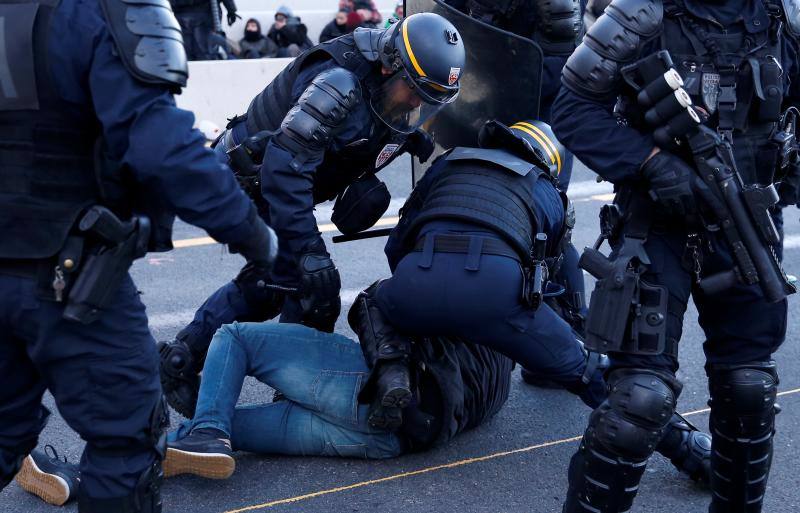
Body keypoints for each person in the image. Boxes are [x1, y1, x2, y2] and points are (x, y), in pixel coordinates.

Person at [0, 1, 277, 512]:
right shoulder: (100, 12)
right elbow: (162, 147)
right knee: (128, 439)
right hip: (69, 275)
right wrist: (254, 234)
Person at [550, 0, 798, 511]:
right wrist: (652, 163)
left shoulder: (786, 17)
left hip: (747, 225)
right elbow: (572, 110)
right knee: (639, 400)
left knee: (749, 388)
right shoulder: (640, 15)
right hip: (655, 227)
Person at [158, 13, 466, 420]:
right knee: (308, 286)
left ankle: (190, 362)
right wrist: (308, 250)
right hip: (249, 182)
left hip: (278, 181)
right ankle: (258, 383)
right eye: (413, 91)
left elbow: (373, 118)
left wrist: (412, 138)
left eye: (427, 98)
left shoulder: (386, 85)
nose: (415, 104)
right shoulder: (337, 83)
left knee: (283, 283)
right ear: (389, 64)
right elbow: (284, 172)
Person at [170, 0, 239, 60]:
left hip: (185, 16)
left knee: (186, 53)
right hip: (203, 16)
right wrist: (231, 9)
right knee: (205, 53)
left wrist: (231, 9)